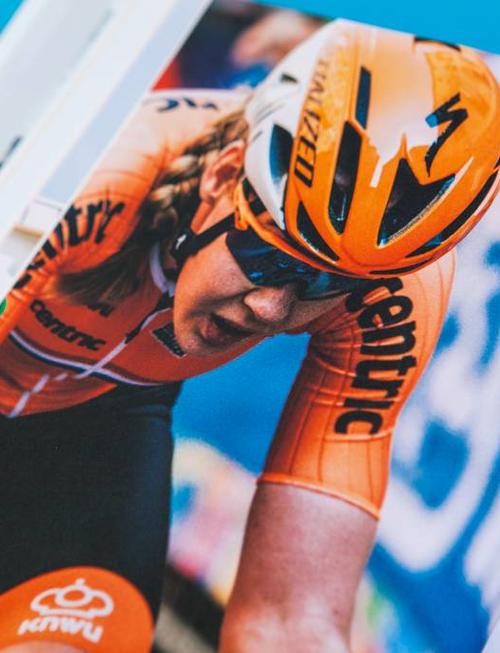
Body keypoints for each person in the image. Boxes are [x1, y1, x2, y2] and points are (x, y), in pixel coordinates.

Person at [0, 20, 498, 653]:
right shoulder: (103, 174)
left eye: (318, 285)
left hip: (88, 437)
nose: (270, 306)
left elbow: (288, 622)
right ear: (223, 176)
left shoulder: (392, 288)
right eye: (269, 258)